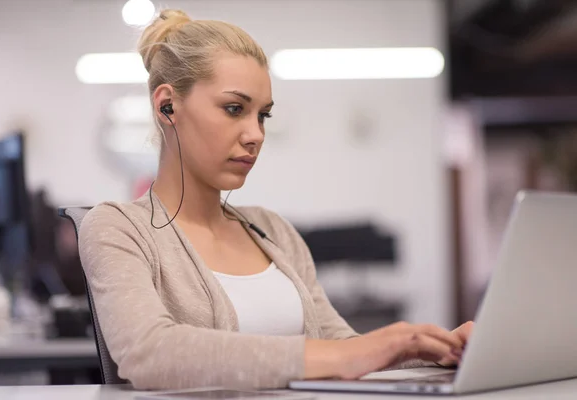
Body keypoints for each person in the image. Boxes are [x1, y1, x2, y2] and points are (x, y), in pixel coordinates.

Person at [78, 9, 473, 390]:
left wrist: (425, 349)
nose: (255, 134)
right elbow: (149, 353)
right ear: (168, 106)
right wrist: (334, 358)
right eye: (235, 109)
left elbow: (339, 345)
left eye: (262, 115)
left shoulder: (271, 230)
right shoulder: (116, 227)